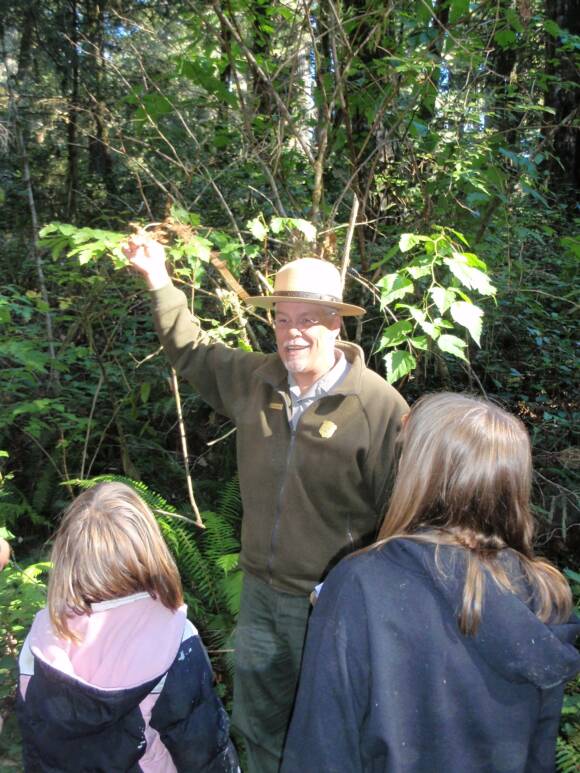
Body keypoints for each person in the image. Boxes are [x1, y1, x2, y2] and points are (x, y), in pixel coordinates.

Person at [123, 235, 409, 772]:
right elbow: (191, 350)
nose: (292, 333)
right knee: (258, 724)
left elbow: (406, 515)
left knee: (331, 729)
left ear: (335, 324)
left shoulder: (378, 406)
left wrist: (353, 586)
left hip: (331, 608)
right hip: (259, 597)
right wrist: (157, 279)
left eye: (307, 320)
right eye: (281, 319)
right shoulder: (258, 381)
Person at [281, 392, 580, 773]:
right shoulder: (544, 593)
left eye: (405, 453)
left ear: (420, 473)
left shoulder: (362, 583)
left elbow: (322, 748)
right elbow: (540, 757)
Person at [17, 481, 239, 773]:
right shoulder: (174, 639)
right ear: (150, 548)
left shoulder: (41, 642)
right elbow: (205, 753)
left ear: (65, 555)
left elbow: (37, 747)